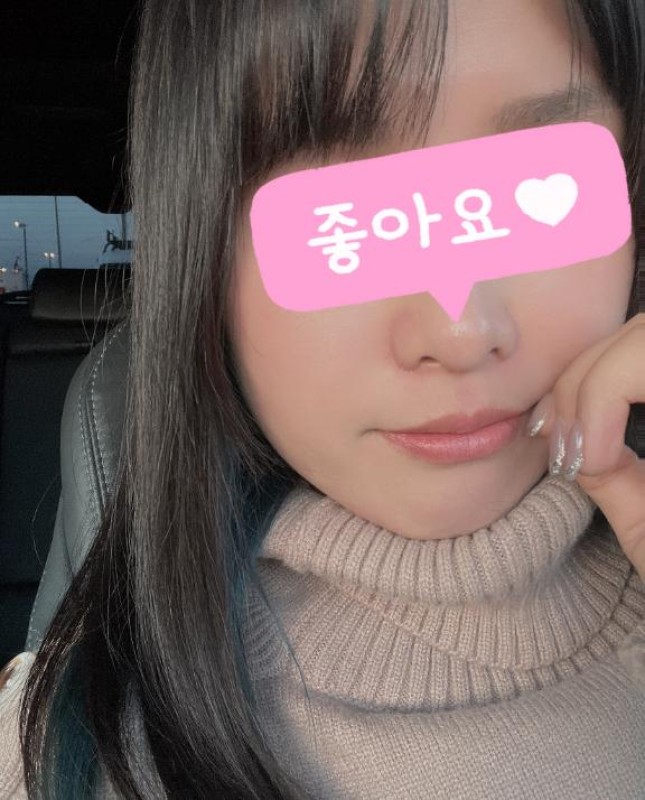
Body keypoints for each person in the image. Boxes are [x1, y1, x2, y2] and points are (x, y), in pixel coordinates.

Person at [2, 0, 645, 797]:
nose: (458, 331)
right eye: (346, 216)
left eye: (529, 189)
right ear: (203, 252)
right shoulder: (65, 753)